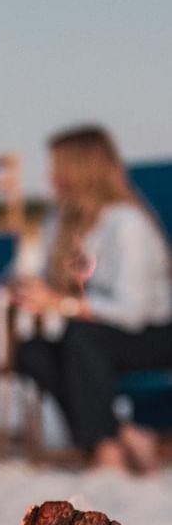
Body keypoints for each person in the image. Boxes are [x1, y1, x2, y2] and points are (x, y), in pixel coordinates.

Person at [10, 125, 172, 472]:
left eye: (57, 166)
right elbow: (42, 274)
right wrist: (25, 286)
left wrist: (60, 304)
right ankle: (122, 434)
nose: (50, 176)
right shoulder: (61, 221)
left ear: (80, 170)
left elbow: (133, 313)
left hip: (154, 334)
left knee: (79, 336)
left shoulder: (126, 224)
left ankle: (104, 450)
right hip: (95, 337)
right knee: (32, 351)